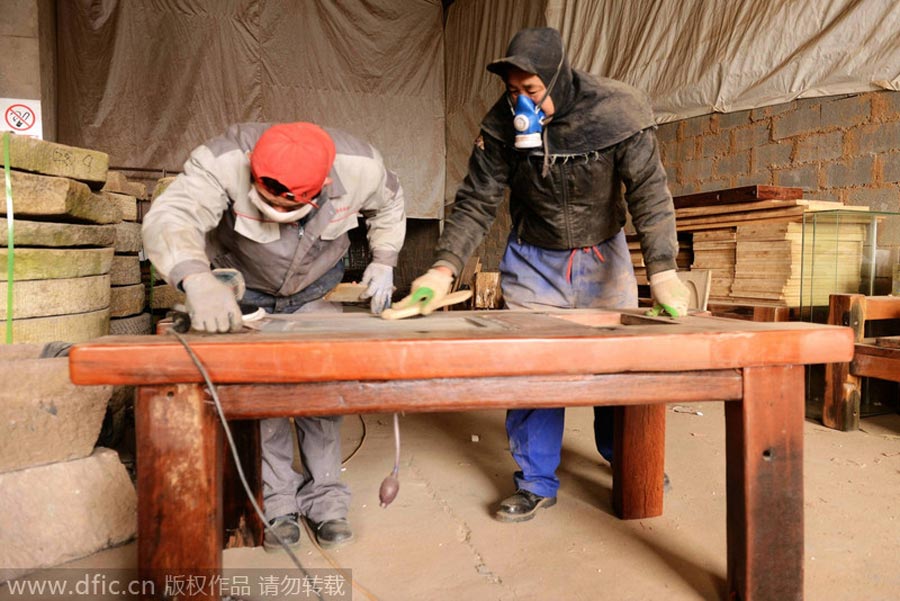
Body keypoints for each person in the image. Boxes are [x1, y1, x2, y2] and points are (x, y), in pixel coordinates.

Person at [395, 27, 689, 522]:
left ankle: (628, 457)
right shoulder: (500, 126)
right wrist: (441, 271)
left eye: (530, 91)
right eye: (512, 92)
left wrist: (662, 272)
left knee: (617, 370)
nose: (520, 103)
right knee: (533, 369)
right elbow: (475, 203)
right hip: (533, 256)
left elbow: (650, 195)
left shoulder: (618, 111)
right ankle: (535, 481)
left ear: (557, 77)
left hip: (603, 257)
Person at [143, 122, 406, 549]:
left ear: (322, 186)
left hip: (316, 285)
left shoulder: (361, 167)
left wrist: (385, 258)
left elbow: (391, 204)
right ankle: (278, 502)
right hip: (247, 290)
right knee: (265, 396)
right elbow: (174, 214)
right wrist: (196, 277)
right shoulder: (222, 160)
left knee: (320, 392)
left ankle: (326, 501)